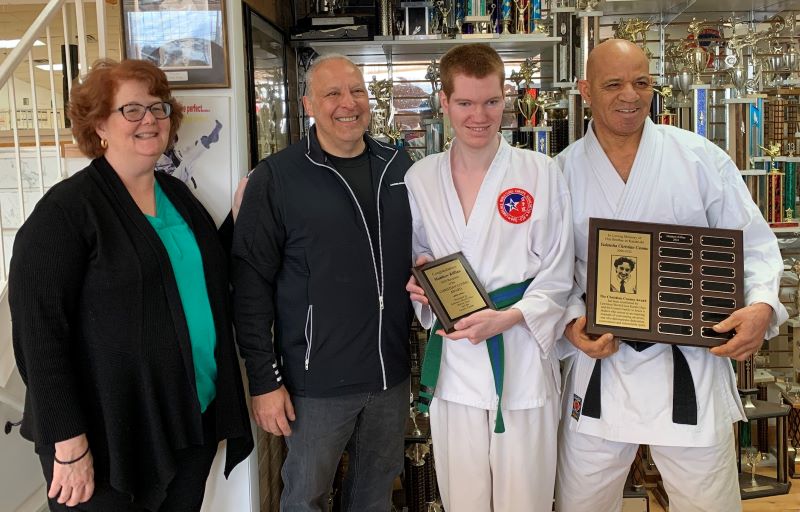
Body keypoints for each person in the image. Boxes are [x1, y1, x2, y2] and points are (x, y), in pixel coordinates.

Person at [9, 59, 253, 512]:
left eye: (159, 108)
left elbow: (202, 273)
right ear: (100, 124)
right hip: (109, 438)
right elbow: (38, 337)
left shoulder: (175, 195)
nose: (150, 120)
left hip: (186, 419)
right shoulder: (66, 212)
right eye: (132, 110)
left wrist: (240, 217)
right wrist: (69, 443)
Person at [554, 39, 787, 512]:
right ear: (586, 90)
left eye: (641, 82)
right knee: (581, 503)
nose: (630, 95)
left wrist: (762, 305)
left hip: (689, 364)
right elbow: (554, 271)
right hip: (602, 368)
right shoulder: (561, 172)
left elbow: (755, 244)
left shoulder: (699, 158)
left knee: (708, 504)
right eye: (613, 84)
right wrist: (572, 322)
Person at [231, 54, 413, 511]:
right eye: (332, 93)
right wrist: (264, 380)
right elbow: (250, 286)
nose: (348, 103)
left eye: (357, 91)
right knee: (305, 499)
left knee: (374, 498)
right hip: (314, 384)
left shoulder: (398, 166)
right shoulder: (276, 177)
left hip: (389, 377)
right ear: (308, 104)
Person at [404, 44, 574, 512]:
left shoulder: (541, 172)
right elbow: (418, 255)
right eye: (465, 103)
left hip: (521, 362)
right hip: (455, 363)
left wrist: (508, 318)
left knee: (526, 500)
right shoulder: (420, 178)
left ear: (506, 98)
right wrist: (420, 288)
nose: (479, 116)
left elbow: (559, 271)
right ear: (443, 102)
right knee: (463, 500)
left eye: (491, 102)